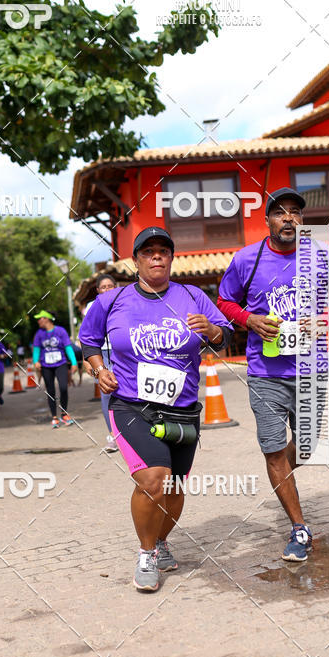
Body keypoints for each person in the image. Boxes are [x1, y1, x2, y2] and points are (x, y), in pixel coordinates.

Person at [80, 227, 233, 592]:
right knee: (154, 479)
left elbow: (225, 335)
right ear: (136, 260)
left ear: (171, 257)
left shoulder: (193, 296)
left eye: (163, 250)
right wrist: (100, 371)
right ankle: (146, 554)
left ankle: (162, 541)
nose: (156, 256)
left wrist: (211, 329)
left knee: (176, 485)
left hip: (182, 409)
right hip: (131, 404)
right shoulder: (111, 301)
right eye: (148, 251)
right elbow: (88, 341)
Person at [217, 187, 329, 562]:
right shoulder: (247, 259)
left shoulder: (322, 255)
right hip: (266, 371)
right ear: (268, 220)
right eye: (280, 212)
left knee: (309, 448)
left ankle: (279, 471)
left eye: (296, 212)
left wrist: (324, 321)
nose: (289, 218)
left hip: (311, 368)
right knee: (275, 449)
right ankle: (299, 527)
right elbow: (224, 301)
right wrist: (249, 320)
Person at [81, 273, 118, 452]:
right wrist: (86, 360)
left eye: (110, 286)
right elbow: (85, 335)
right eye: (103, 287)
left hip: (121, 352)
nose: (107, 290)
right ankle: (112, 435)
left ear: (115, 287)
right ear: (97, 290)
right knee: (106, 394)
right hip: (100, 355)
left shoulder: (122, 301)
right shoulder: (91, 307)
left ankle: (129, 433)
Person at [32, 311, 78, 429]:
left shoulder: (60, 331)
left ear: (46, 319)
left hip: (61, 364)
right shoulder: (39, 333)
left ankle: (64, 414)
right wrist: (36, 361)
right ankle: (54, 417)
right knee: (50, 391)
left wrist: (74, 362)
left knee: (63, 387)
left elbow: (68, 347)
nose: (38, 321)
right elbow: (36, 349)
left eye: (40, 318)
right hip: (46, 366)